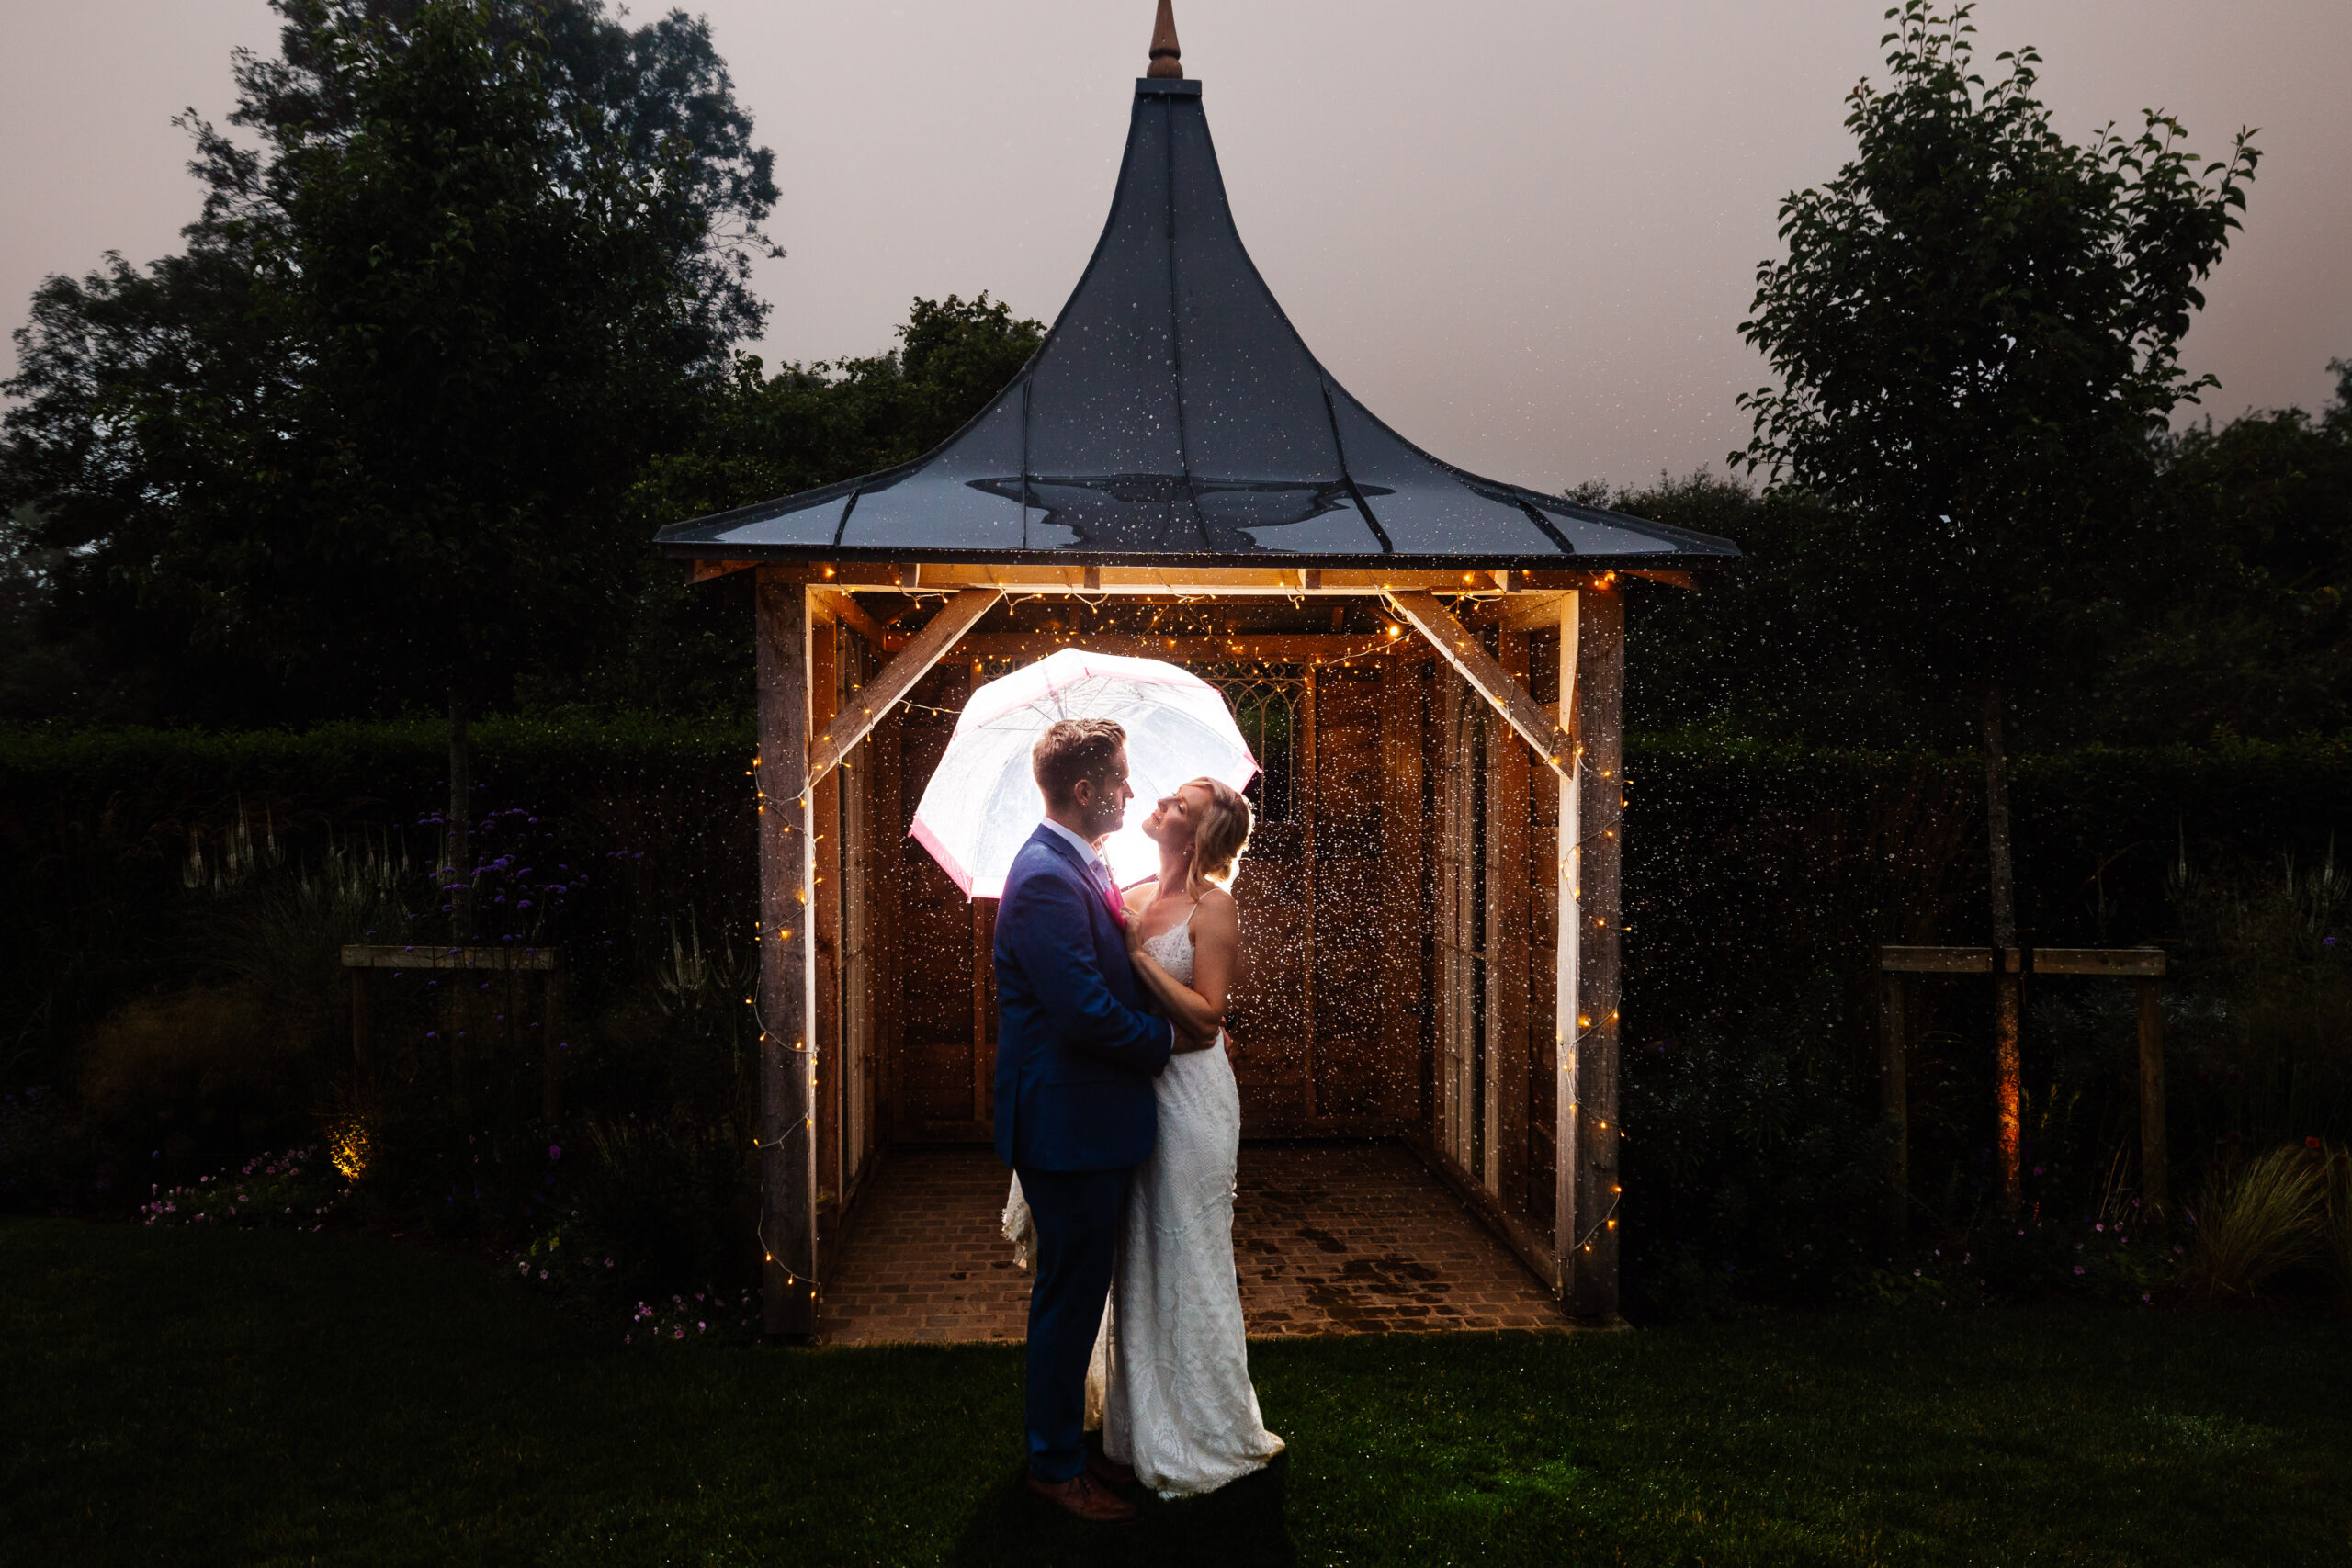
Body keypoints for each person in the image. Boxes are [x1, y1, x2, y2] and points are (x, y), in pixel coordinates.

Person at [992, 717, 1215, 1524]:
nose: (1130, 789)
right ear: (1084, 791)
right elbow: (1083, 1009)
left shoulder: (1080, 863)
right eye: (1119, 779)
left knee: (1080, 1291)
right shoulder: (1047, 876)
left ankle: (1066, 1444)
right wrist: (1167, 1041)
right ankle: (1054, 1465)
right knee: (1068, 1295)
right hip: (1066, 1122)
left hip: (1081, 1116)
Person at [1102, 775, 1285, 1495]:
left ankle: (1209, 1427)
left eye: (1180, 805)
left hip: (1193, 1103)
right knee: (1138, 1251)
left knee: (1189, 1249)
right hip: (1136, 1094)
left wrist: (1140, 956)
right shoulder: (1131, 895)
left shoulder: (1215, 907)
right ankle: (1140, 1421)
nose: (1161, 804)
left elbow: (1208, 1018)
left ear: (1201, 835)